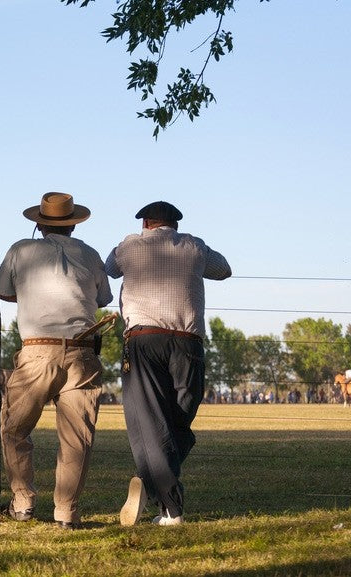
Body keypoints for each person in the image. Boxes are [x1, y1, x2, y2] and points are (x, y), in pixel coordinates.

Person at [105, 200, 231, 527]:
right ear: (174, 224)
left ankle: (162, 495)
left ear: (146, 222)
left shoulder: (129, 245)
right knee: (178, 421)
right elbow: (224, 270)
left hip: (144, 340)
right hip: (188, 342)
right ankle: (161, 491)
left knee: (150, 421)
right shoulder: (195, 246)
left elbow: (109, 267)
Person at [0, 192, 112, 529]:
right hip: (82, 350)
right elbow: (102, 297)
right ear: (74, 223)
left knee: (14, 430)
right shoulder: (89, 254)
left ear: (39, 223)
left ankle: (22, 502)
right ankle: (66, 512)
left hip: (37, 350)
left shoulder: (20, 249)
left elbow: (4, 292)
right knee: (77, 437)